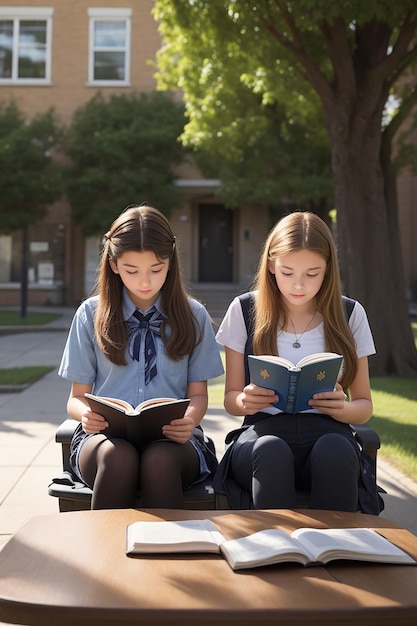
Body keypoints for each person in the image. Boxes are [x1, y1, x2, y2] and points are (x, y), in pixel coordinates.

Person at [58, 204, 224, 509]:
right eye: (132, 271)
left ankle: (168, 552)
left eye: (156, 269)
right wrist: (86, 415)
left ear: (171, 262)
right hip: (104, 441)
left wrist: (188, 421)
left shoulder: (193, 316)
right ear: (114, 264)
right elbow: (76, 397)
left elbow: (198, 396)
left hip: (174, 442)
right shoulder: (90, 315)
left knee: (158, 459)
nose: (145, 282)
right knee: (118, 456)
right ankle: (103, 556)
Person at [214, 211, 376, 511]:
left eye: (312, 274)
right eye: (288, 272)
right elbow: (231, 399)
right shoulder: (244, 309)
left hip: (329, 431)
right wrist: (245, 401)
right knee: (271, 450)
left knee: (336, 450)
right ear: (272, 265)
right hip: (261, 436)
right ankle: (276, 551)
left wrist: (343, 409)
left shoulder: (350, 314)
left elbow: (364, 405)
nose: (298, 286)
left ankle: (337, 550)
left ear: (328, 269)